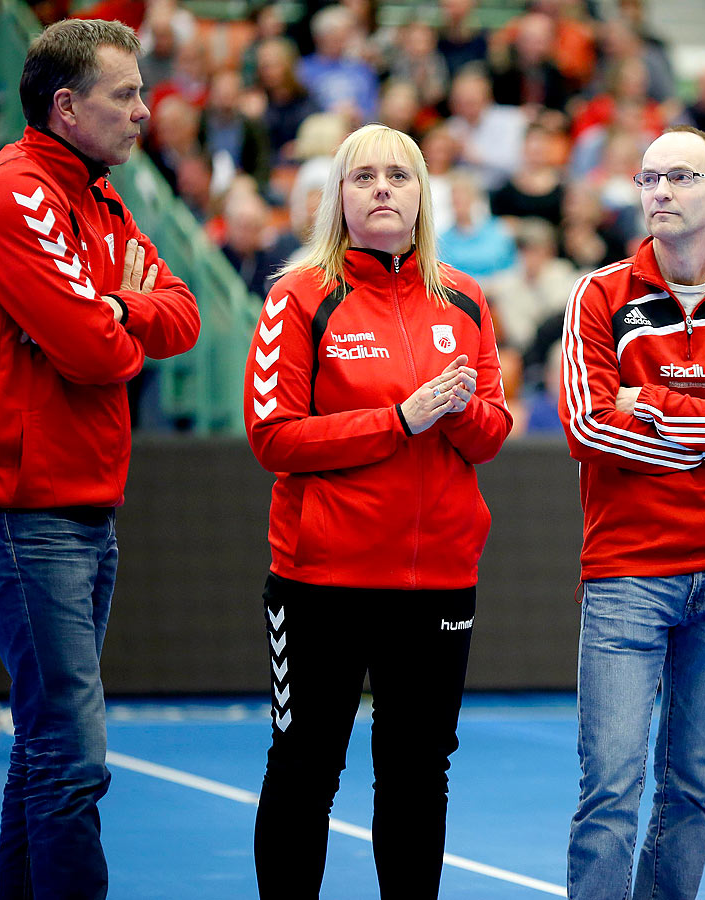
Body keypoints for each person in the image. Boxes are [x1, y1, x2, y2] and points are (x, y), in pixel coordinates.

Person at [244, 123, 512, 899]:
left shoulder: (463, 297)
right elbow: (274, 437)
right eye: (364, 177)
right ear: (338, 198)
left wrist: (455, 412)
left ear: (424, 194)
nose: (384, 188)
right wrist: (399, 420)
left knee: (419, 770)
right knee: (305, 767)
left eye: (400, 175)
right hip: (321, 580)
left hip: (438, 583)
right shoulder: (297, 297)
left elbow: (490, 433)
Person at [0, 19, 201, 898]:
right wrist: (117, 307)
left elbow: (182, 313)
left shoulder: (100, 200)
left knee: (43, 746)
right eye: (126, 95)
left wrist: (115, 308)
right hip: (25, 511)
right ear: (66, 107)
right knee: (71, 756)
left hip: (82, 507)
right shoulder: (15, 195)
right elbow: (95, 353)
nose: (145, 111)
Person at [559, 125, 705, 900]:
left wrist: (652, 405)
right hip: (627, 570)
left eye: (681, 178)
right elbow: (589, 427)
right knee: (611, 792)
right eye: (649, 178)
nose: (659, 192)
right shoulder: (598, 295)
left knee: (691, 790)